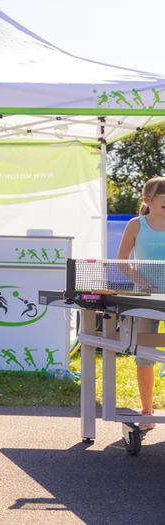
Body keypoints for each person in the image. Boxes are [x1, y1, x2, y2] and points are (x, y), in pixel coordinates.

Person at [116, 177, 165, 431]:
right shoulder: (136, 225)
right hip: (146, 300)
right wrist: (142, 282)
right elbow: (122, 261)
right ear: (148, 200)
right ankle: (147, 412)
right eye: (162, 196)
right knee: (145, 355)